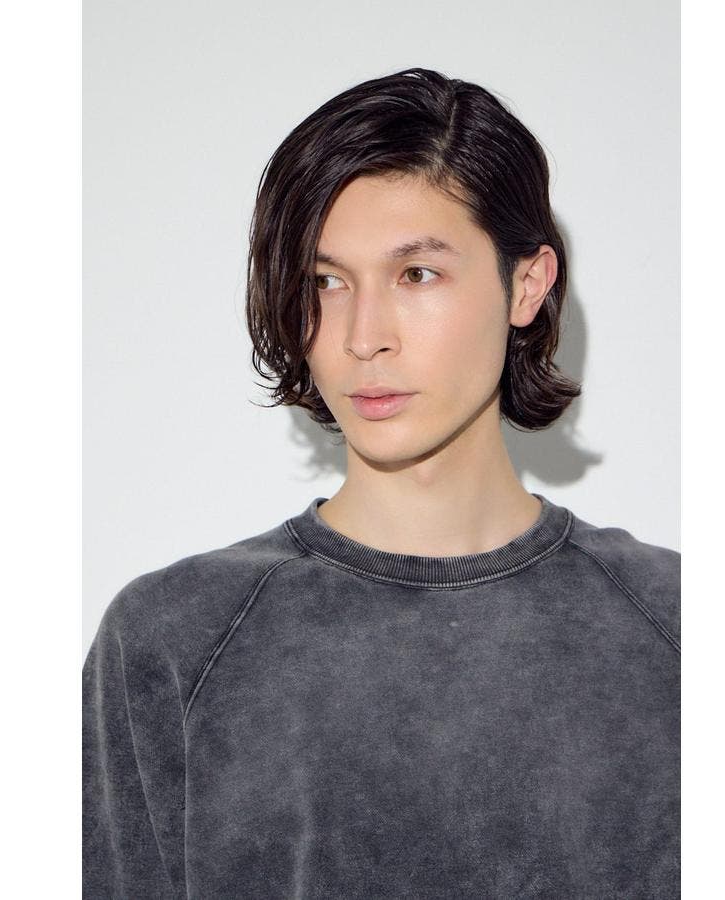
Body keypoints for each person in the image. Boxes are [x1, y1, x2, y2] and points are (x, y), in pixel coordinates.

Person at [83, 67, 680, 898]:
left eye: (417, 275)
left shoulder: (677, 627)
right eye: (325, 282)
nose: (364, 337)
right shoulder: (172, 639)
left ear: (527, 284)